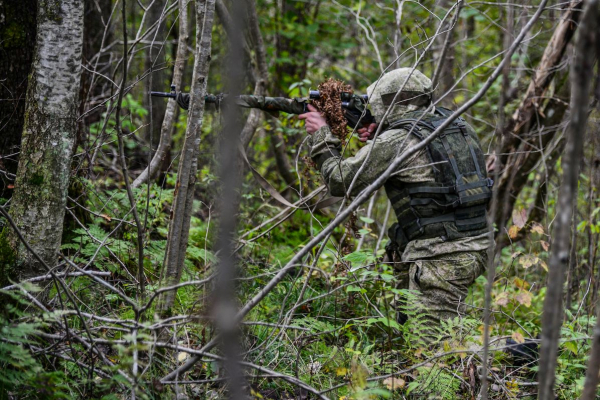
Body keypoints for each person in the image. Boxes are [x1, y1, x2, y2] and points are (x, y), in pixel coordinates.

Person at [299, 68, 493, 341]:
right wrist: (384, 132)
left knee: (438, 353)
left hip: (441, 258)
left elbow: (339, 180)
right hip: (471, 245)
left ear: (386, 102)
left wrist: (321, 135)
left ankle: (521, 352)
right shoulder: (456, 125)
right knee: (411, 336)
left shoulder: (399, 140)